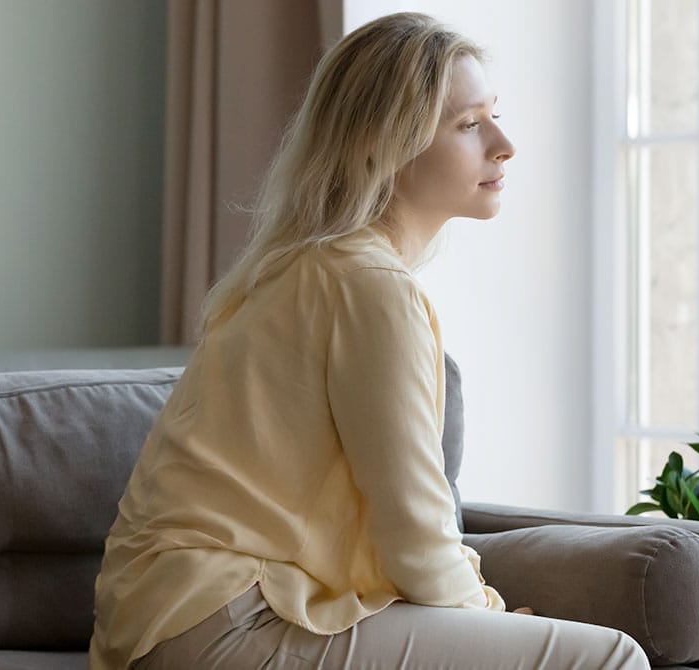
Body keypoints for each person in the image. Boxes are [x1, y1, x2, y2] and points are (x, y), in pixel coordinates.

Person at [90, 12, 649, 669]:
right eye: (469, 124)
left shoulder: (309, 266)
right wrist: (488, 618)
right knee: (611, 658)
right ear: (383, 145)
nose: (504, 144)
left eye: (494, 115)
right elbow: (414, 533)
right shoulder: (369, 286)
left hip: (173, 618)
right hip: (222, 621)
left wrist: (485, 620)